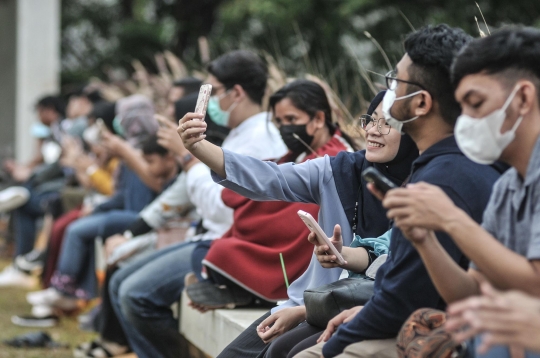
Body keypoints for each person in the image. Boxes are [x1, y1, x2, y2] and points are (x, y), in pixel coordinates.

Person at [290, 24, 505, 358]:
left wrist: (336, 345)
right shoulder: (459, 163)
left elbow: (403, 302)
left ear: (420, 103)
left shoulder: (440, 180)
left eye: (396, 82)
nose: (388, 91)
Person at [178, 72, 418, 357]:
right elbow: (269, 178)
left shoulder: (430, 185)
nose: (373, 131)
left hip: (363, 313)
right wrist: (199, 147)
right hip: (314, 302)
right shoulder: (339, 171)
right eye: (369, 120)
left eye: (387, 123)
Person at [108, 50, 288, 358]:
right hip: (213, 237)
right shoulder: (241, 134)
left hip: (232, 243)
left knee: (135, 294)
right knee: (120, 282)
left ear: (237, 92)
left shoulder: (262, 140)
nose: (210, 101)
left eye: (213, 91)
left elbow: (226, 207)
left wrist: (188, 157)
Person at [382, 27, 540, 358]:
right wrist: (425, 241)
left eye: (476, 103)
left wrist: (452, 220)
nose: (465, 120)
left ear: (524, 98)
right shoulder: (509, 185)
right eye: (461, 106)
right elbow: (472, 291)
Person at [185, 79, 357, 310]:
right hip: (261, 248)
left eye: (292, 120)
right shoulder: (300, 152)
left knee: (217, 253)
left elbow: (286, 210)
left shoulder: (338, 160)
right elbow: (264, 178)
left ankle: (242, 290)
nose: (285, 128)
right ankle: (232, 288)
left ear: (318, 119)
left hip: (306, 264)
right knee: (204, 251)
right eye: (279, 121)